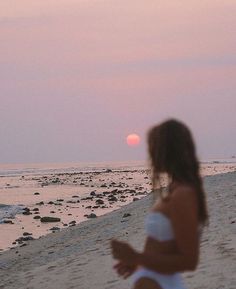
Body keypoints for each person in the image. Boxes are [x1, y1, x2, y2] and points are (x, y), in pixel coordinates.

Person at [111, 119, 208, 289]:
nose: (151, 156)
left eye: (154, 148)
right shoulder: (175, 188)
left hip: (161, 282)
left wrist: (136, 257)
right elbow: (168, 248)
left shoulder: (183, 194)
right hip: (155, 279)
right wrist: (138, 263)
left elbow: (189, 260)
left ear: (168, 151)